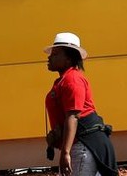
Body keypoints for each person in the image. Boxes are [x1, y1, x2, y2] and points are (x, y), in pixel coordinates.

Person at [44, 32, 118, 176]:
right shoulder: (64, 80)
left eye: (55, 53)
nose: (49, 57)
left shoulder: (72, 79)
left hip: (83, 145)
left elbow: (73, 116)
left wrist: (65, 153)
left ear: (69, 59)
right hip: (80, 145)